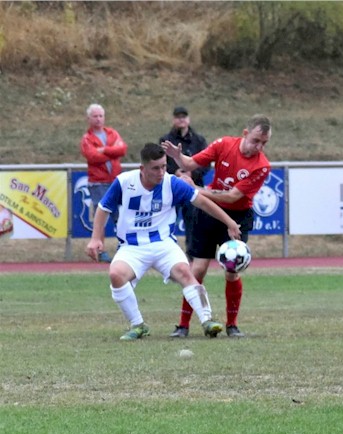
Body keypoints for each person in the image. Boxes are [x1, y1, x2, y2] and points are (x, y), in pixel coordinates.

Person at [85, 143, 241, 341]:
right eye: (155, 168)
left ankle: (207, 321)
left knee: (185, 272)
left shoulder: (172, 183)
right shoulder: (124, 182)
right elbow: (103, 208)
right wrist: (95, 239)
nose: (161, 172)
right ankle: (138, 325)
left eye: (164, 167)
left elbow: (202, 202)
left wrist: (229, 222)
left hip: (163, 244)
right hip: (132, 246)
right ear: (142, 169)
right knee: (116, 275)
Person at [162, 114, 273, 338]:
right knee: (198, 270)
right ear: (245, 133)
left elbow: (232, 197)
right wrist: (178, 156)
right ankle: (183, 325)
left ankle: (232, 325)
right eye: (255, 140)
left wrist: (195, 190)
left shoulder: (262, 166)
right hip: (208, 212)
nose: (259, 147)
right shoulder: (224, 144)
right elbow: (191, 163)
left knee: (232, 270)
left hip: (237, 218)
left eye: (264, 143)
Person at [159, 106, 209, 259]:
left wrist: (192, 172)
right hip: (172, 187)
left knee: (193, 222)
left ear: (188, 119)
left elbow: (206, 163)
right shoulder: (165, 140)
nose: (181, 119)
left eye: (184, 116)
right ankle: (165, 253)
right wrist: (176, 172)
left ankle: (191, 254)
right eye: (178, 116)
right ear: (173, 119)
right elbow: (161, 161)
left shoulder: (199, 140)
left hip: (192, 187)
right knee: (166, 220)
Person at [80, 103, 128, 263]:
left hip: (115, 180)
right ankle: (100, 250)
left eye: (101, 116)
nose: (99, 119)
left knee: (120, 215)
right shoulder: (87, 139)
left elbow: (122, 149)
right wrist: (112, 151)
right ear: (89, 118)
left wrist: (105, 150)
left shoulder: (112, 133)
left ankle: (125, 248)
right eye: (95, 116)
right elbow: (93, 157)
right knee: (101, 217)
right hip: (98, 183)